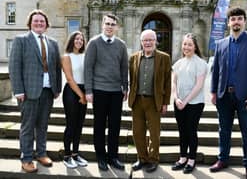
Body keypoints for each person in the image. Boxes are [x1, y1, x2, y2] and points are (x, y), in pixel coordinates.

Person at [210, 7, 247, 179]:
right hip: (224, 95)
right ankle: (223, 159)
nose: (236, 22)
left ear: (244, 21)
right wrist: (213, 91)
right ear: (228, 23)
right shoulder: (220, 44)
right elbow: (216, 70)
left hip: (246, 97)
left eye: (239, 19)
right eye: (233, 19)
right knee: (223, 130)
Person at [8, 9, 62, 173]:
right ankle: (26, 158)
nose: (39, 23)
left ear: (46, 24)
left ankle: (41, 153)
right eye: (36, 21)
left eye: (42, 21)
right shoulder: (21, 40)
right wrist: (18, 90)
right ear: (30, 23)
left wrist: (57, 88)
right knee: (28, 126)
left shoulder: (52, 42)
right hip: (28, 91)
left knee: (43, 125)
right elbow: (14, 67)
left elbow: (56, 68)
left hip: (47, 91)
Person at [84, 14, 128, 171]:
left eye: (113, 24)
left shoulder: (121, 45)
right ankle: (101, 158)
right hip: (99, 91)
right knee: (99, 125)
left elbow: (124, 68)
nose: (110, 26)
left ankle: (113, 157)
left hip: (116, 92)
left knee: (115, 126)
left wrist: (125, 88)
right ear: (103, 25)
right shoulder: (94, 43)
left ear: (117, 27)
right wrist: (88, 90)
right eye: (107, 24)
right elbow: (88, 68)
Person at [128, 29, 171, 173]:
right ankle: (142, 158)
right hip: (137, 101)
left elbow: (167, 82)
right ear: (141, 42)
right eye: (145, 40)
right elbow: (132, 79)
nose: (147, 43)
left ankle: (153, 159)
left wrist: (165, 102)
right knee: (137, 132)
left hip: (154, 101)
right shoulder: (133, 58)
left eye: (150, 40)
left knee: (154, 133)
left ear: (155, 41)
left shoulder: (164, 58)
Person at [171, 33, 207, 174]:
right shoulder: (178, 63)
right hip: (179, 102)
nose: (186, 47)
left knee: (191, 131)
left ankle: (191, 159)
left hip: (194, 103)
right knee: (182, 131)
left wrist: (185, 101)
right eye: (184, 44)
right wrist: (176, 98)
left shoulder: (201, 63)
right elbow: (173, 82)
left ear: (195, 47)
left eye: (189, 44)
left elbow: (199, 86)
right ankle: (182, 158)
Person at [61, 31, 88, 168]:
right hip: (72, 92)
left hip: (83, 91)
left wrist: (86, 93)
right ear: (72, 40)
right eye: (77, 39)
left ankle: (75, 154)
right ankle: (67, 155)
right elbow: (70, 79)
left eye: (81, 39)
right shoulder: (66, 57)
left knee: (79, 124)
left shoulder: (85, 56)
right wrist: (81, 95)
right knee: (71, 124)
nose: (79, 41)